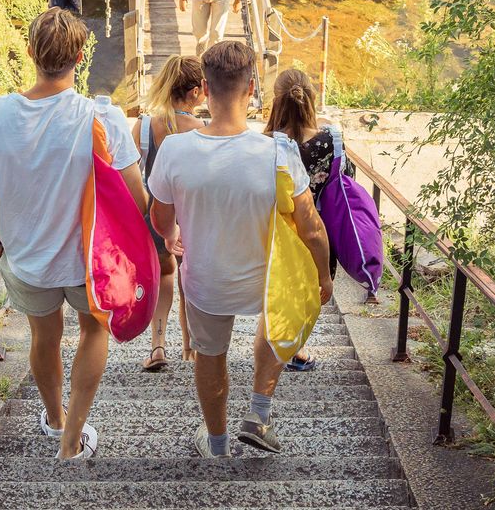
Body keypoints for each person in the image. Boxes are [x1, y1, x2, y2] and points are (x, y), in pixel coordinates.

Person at [0, 9, 148, 461]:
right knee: (93, 332)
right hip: (90, 260)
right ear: (81, 57)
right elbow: (138, 198)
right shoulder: (102, 117)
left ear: (29, 52)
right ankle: (72, 439)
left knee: (43, 337)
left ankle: (55, 419)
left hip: (26, 258)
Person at [150, 40, 332, 459]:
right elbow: (312, 228)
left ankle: (217, 444)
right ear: (251, 88)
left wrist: (171, 236)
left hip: (206, 282)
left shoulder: (175, 149)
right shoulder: (279, 152)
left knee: (210, 355)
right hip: (266, 278)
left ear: (205, 89)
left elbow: (160, 218)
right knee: (279, 314)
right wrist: (323, 276)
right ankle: (258, 414)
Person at [263, 67, 361, 369]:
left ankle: (281, 341)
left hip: (280, 230)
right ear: (311, 99)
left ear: (276, 101)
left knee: (281, 285)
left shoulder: (268, 142)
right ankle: (297, 345)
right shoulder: (330, 140)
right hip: (320, 227)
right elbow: (346, 178)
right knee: (314, 288)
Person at [132, 55, 206, 372]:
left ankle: (158, 346)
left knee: (163, 275)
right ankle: (192, 347)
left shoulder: (145, 126)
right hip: (192, 219)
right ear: (195, 92)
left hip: (155, 216)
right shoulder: (204, 130)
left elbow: (129, 174)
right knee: (191, 281)